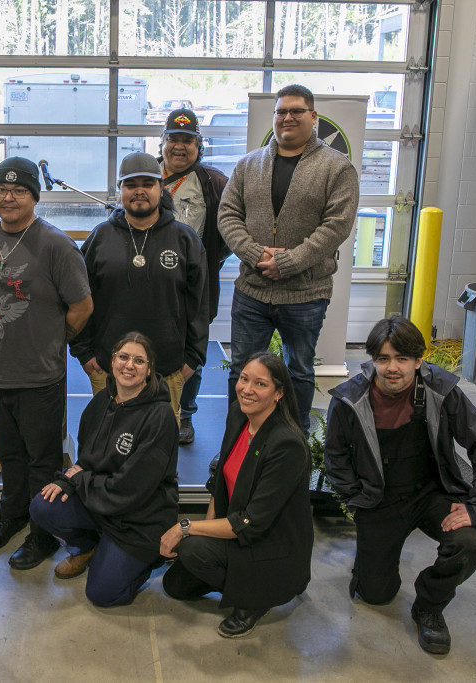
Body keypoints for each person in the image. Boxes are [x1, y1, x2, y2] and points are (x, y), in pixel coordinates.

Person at [323, 316, 476, 655]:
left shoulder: (442, 391)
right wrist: (355, 499)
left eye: (402, 358)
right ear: (373, 360)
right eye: (383, 359)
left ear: (419, 360)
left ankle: (430, 606)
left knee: (468, 543)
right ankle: (369, 565)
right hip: (379, 501)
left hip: (431, 493)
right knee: (376, 595)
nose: (392, 368)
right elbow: (334, 456)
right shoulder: (350, 400)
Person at [0, 157, 93, 570]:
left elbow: (81, 306)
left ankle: (44, 531)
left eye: (19, 190)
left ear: (35, 197)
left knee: (43, 459)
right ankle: (13, 512)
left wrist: (53, 341)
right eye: (1, 190)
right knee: (8, 452)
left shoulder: (56, 244)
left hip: (40, 375)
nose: (9, 197)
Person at [218, 84, 359, 435]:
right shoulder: (249, 165)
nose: (288, 117)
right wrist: (255, 253)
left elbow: (337, 226)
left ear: (313, 117)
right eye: (282, 111)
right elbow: (227, 215)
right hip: (251, 292)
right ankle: (236, 443)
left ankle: (292, 444)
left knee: (298, 371)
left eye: (297, 111)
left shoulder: (337, 168)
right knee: (242, 371)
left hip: (305, 295)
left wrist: (290, 261)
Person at [161, 351, 313, 639]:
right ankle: (237, 580)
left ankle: (256, 599)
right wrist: (204, 533)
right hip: (239, 531)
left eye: (260, 384)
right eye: (244, 379)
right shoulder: (239, 415)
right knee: (176, 586)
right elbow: (221, 481)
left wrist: (187, 527)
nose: (247, 389)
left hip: (270, 545)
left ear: (279, 393)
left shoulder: (286, 445)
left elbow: (250, 522)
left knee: (191, 548)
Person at [31, 332, 179, 606]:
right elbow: (86, 460)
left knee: (102, 594)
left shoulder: (160, 417)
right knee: (44, 504)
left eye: (138, 360)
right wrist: (68, 480)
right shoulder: (100, 404)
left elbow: (131, 488)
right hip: (103, 505)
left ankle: (144, 560)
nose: (129, 366)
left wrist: (80, 479)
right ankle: (89, 546)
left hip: (139, 520)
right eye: (123, 357)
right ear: (112, 361)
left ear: (149, 370)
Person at [72, 152, 208, 425]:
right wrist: (84, 353)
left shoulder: (185, 239)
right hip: (109, 368)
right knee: (107, 448)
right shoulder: (100, 238)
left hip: (167, 369)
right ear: (121, 190)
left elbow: (201, 304)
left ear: (161, 188)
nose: (139, 191)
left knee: (158, 453)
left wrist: (192, 360)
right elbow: (80, 300)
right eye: (131, 185)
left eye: (148, 183)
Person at [158, 108, 230, 445]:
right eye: (174, 139)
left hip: (194, 287)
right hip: (150, 283)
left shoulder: (214, 182)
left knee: (193, 352)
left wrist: (207, 262)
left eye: (188, 140)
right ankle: (151, 410)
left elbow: (232, 232)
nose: (180, 147)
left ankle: (184, 415)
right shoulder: (145, 175)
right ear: (163, 142)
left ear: (198, 145)